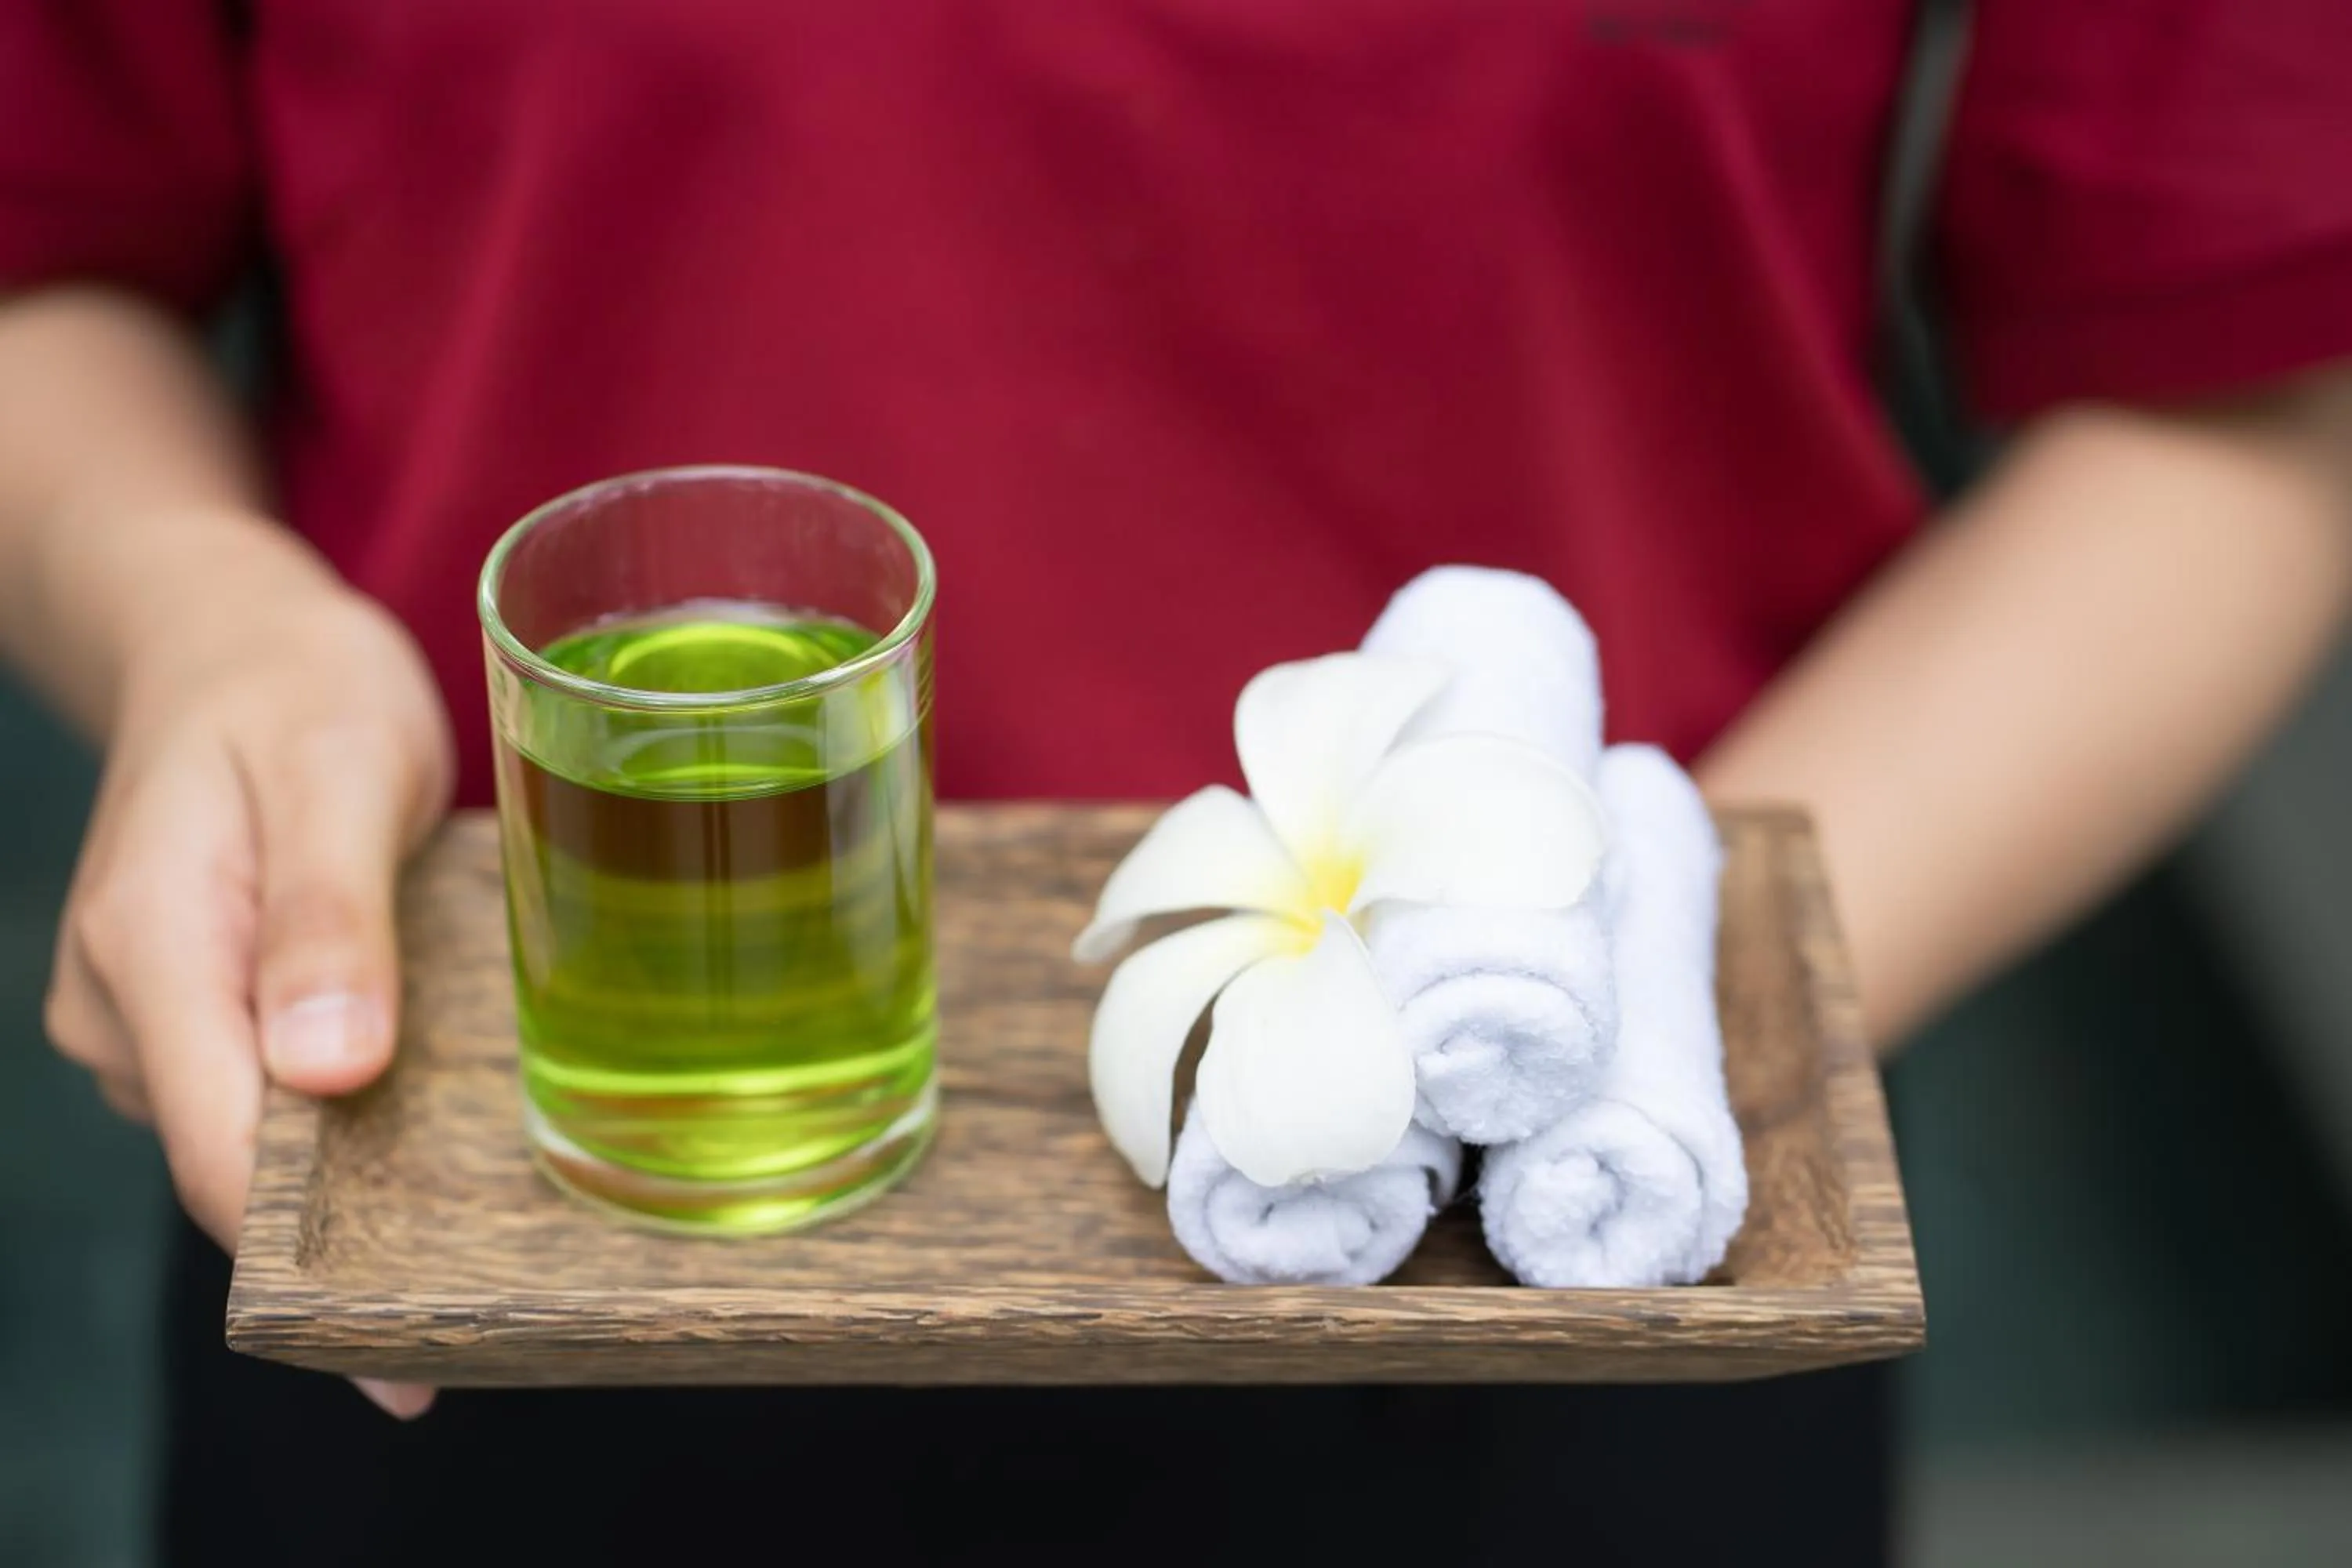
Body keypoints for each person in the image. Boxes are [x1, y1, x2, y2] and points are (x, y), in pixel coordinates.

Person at [4, 4, 2349, 1564]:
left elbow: (2246, 378)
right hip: (510, 1211)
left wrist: (1621, 1035)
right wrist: (192, 607)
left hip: (1578, 1259)